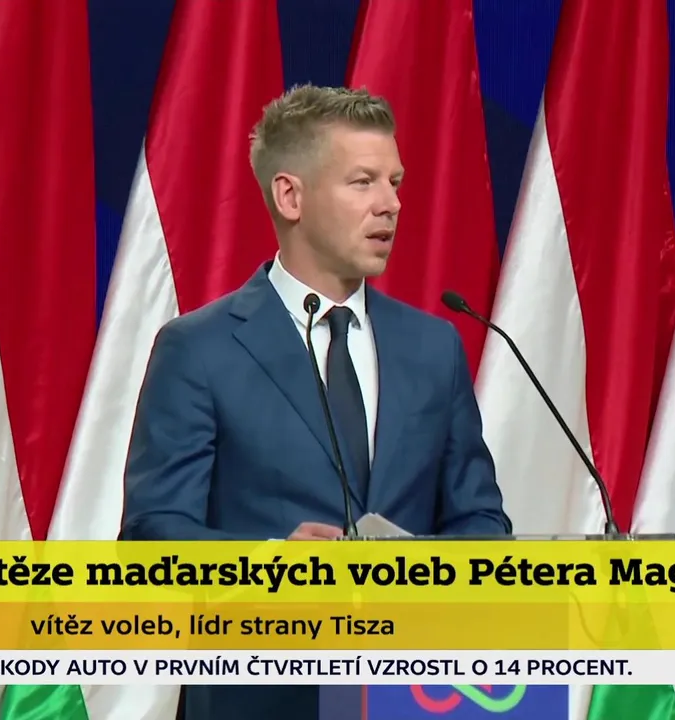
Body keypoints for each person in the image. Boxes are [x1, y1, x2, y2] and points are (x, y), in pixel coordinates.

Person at [120, 84, 511, 720]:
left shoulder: (434, 346)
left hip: (415, 699)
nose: (390, 204)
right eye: (363, 182)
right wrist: (274, 565)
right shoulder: (199, 349)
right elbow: (151, 541)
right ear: (290, 196)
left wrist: (425, 572)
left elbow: (482, 523)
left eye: (394, 182)